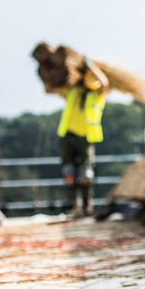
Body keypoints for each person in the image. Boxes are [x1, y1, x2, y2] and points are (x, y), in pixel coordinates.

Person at [58, 60, 108, 218]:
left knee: (86, 174)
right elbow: (54, 87)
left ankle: (87, 206)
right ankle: (73, 206)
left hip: (86, 137)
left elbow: (104, 84)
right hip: (69, 134)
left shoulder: (96, 95)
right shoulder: (73, 91)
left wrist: (92, 67)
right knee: (69, 172)